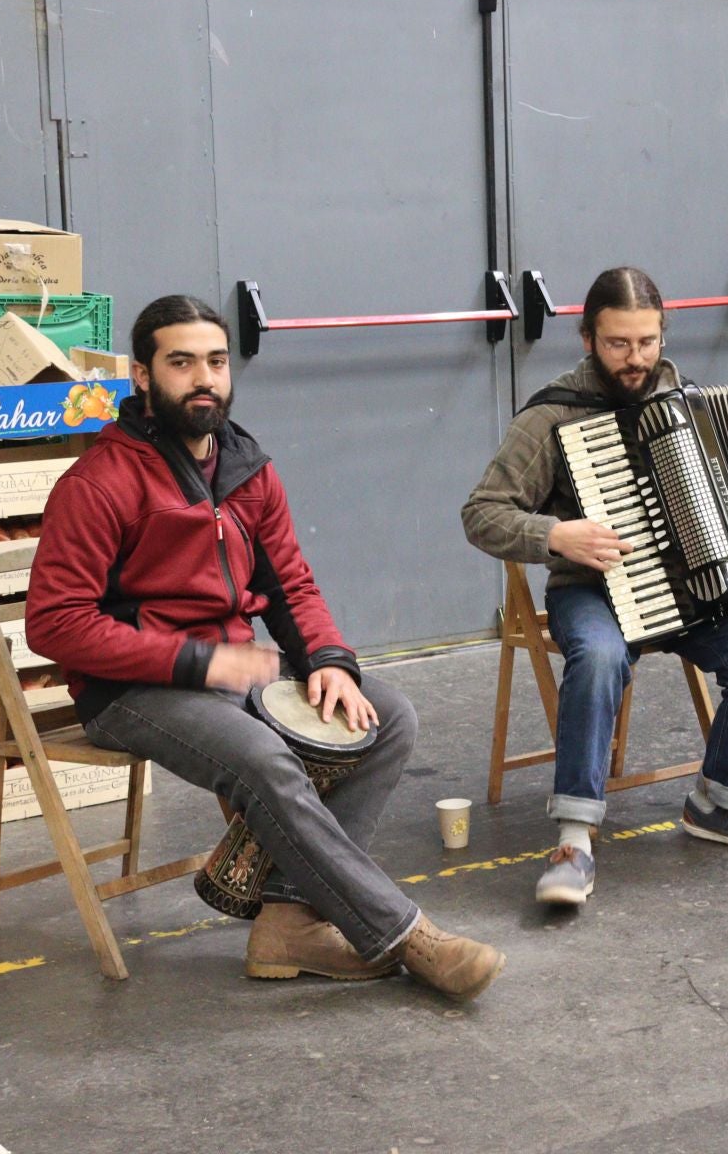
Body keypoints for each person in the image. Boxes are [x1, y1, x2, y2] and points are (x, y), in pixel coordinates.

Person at [26, 296, 504, 999]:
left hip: (234, 673)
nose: (204, 379)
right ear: (142, 375)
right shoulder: (100, 482)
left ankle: (286, 918)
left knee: (386, 716)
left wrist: (331, 664)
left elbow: (292, 589)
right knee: (263, 757)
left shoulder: (247, 468)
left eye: (215, 362)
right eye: (181, 362)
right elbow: (57, 624)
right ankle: (405, 936)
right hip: (132, 690)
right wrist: (196, 660)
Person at [462, 266, 728, 906]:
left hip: (699, 593)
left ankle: (717, 806)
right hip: (594, 589)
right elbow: (482, 513)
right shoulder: (555, 413)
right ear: (587, 338)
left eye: (648, 342)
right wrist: (557, 536)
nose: (635, 358)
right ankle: (574, 842)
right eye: (619, 343)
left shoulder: (687, 404)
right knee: (600, 657)